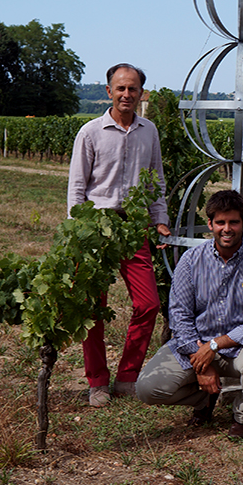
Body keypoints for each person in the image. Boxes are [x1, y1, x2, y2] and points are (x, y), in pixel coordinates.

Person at [137, 190, 243, 439]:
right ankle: (206, 397)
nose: (227, 229)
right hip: (197, 344)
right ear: (210, 224)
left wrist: (215, 345)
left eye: (234, 222)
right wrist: (200, 360)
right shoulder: (191, 260)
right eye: (221, 222)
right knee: (148, 388)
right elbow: (179, 314)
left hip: (241, 347)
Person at [67, 63, 171, 407]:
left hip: (133, 227)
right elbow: (77, 186)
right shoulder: (91, 132)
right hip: (96, 228)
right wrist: (76, 230)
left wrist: (160, 218)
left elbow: (155, 178)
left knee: (148, 303)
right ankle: (97, 381)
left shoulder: (149, 131)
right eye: (121, 89)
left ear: (142, 93)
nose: (127, 95)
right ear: (108, 91)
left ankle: (128, 376)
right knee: (92, 306)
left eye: (133, 89)